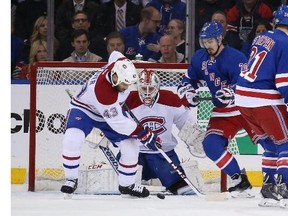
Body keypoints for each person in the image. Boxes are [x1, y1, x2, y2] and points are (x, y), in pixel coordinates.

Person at [177, 21, 266, 198]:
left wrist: (230, 92)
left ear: (220, 39)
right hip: (223, 112)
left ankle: (281, 181)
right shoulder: (199, 58)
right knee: (211, 146)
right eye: (204, 41)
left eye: (210, 41)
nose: (206, 45)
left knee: (270, 143)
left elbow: (245, 83)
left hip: (245, 108)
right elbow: (187, 81)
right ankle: (240, 181)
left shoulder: (236, 58)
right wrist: (189, 93)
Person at [61, 50, 161, 198]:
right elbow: (118, 123)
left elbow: (115, 53)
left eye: (128, 84)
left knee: (131, 144)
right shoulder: (103, 93)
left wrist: (127, 63)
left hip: (112, 110)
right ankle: (71, 178)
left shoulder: (117, 64)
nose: (126, 87)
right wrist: (143, 133)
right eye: (124, 83)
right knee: (72, 138)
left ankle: (127, 185)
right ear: (114, 77)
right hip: (84, 109)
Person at [235, 4, 288, 208]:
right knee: (285, 142)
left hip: (242, 97)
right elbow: (284, 82)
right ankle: (284, 187)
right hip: (263, 98)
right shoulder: (286, 43)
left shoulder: (262, 36)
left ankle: (268, 189)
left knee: (270, 145)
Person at [124, 69, 205, 195]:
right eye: (143, 89)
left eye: (150, 89)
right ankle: (140, 180)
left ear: (157, 88)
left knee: (183, 190)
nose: (146, 93)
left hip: (163, 154)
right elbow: (116, 122)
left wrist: (196, 137)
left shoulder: (170, 99)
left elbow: (185, 121)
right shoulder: (128, 101)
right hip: (136, 153)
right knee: (125, 185)